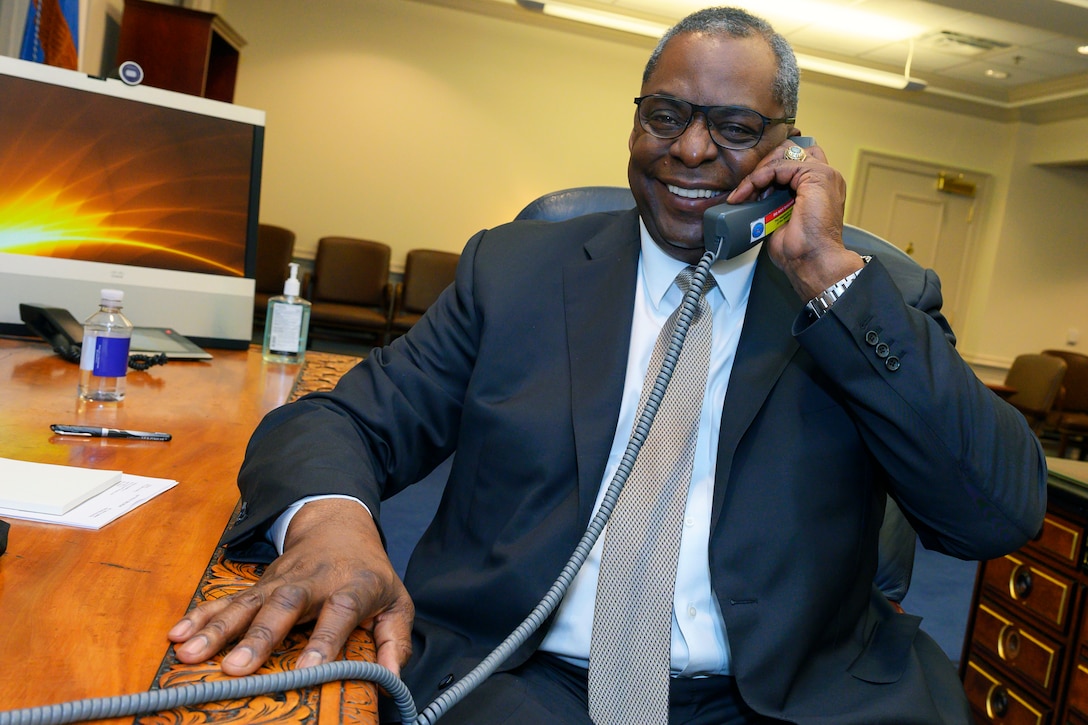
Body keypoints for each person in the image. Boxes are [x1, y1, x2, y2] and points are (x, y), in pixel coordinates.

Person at [168, 7, 1046, 724]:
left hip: (790, 701)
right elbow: (339, 420)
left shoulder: (869, 294)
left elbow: (993, 514)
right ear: (637, 119)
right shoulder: (512, 271)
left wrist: (828, 278)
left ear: (790, 148)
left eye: (736, 127)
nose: (692, 151)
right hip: (518, 681)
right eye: (666, 115)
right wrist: (334, 527)